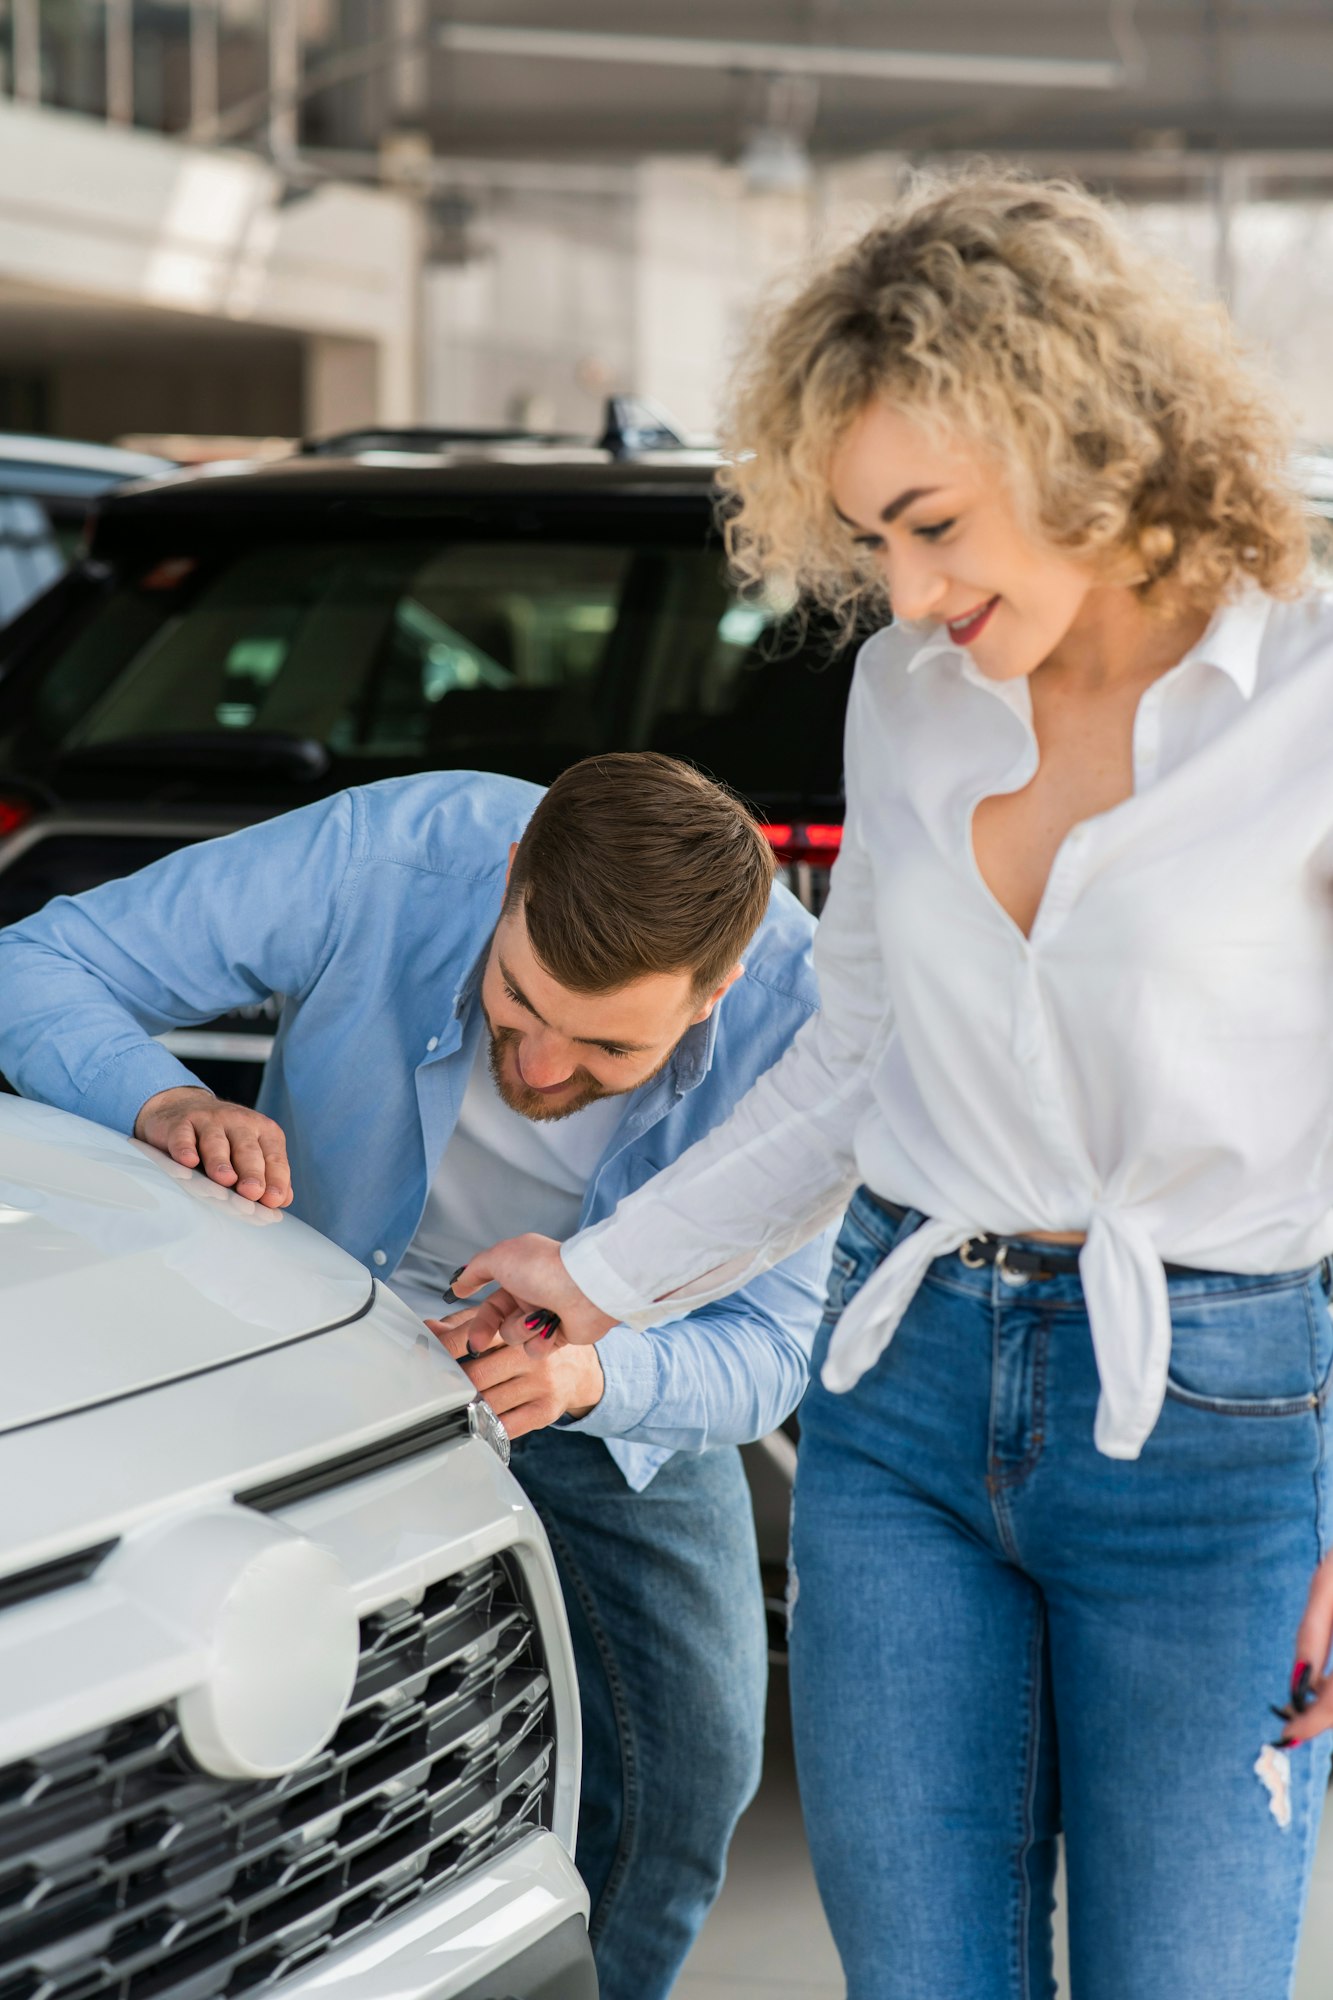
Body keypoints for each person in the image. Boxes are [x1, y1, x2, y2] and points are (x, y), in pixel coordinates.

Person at [440, 172, 1333, 2000]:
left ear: (1076, 428)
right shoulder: (912, 698)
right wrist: (599, 1280)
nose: (909, 594)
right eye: (871, 543)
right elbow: (848, 1058)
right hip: (900, 1398)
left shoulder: (1306, 694)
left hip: (1222, 1431)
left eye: (930, 525)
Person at [0, 751, 835, 2000]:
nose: (542, 1066)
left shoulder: (811, 1014)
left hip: (607, 1391)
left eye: (605, 1045)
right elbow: (32, 960)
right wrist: (161, 1099)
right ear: (510, 881)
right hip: (309, 1345)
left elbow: (775, 1345)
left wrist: (591, 1378)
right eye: (516, 1000)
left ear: (714, 989)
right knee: (260, 1755)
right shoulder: (387, 852)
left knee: (687, 1778)